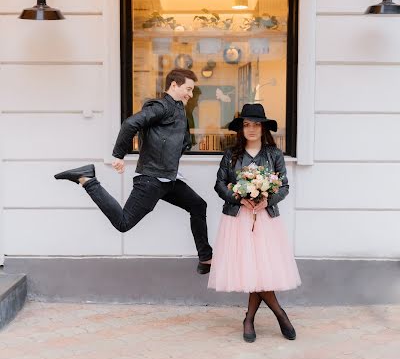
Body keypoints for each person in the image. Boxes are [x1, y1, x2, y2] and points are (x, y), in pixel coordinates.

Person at [54, 68, 213, 274]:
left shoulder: (178, 108)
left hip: (168, 178)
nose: (191, 94)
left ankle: (206, 258)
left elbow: (177, 140)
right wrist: (119, 155)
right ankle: (87, 179)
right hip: (152, 179)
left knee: (198, 205)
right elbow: (131, 123)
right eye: (188, 89)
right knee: (123, 222)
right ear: (174, 85)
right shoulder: (161, 106)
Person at [208, 103, 300, 341]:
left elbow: (285, 186)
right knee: (252, 268)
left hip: (266, 219)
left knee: (260, 269)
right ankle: (279, 314)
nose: (251, 129)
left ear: (263, 128)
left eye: (256, 125)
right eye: (247, 125)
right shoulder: (231, 154)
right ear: (241, 129)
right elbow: (219, 184)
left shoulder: (274, 154)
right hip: (238, 219)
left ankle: (249, 318)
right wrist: (238, 199)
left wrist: (267, 200)